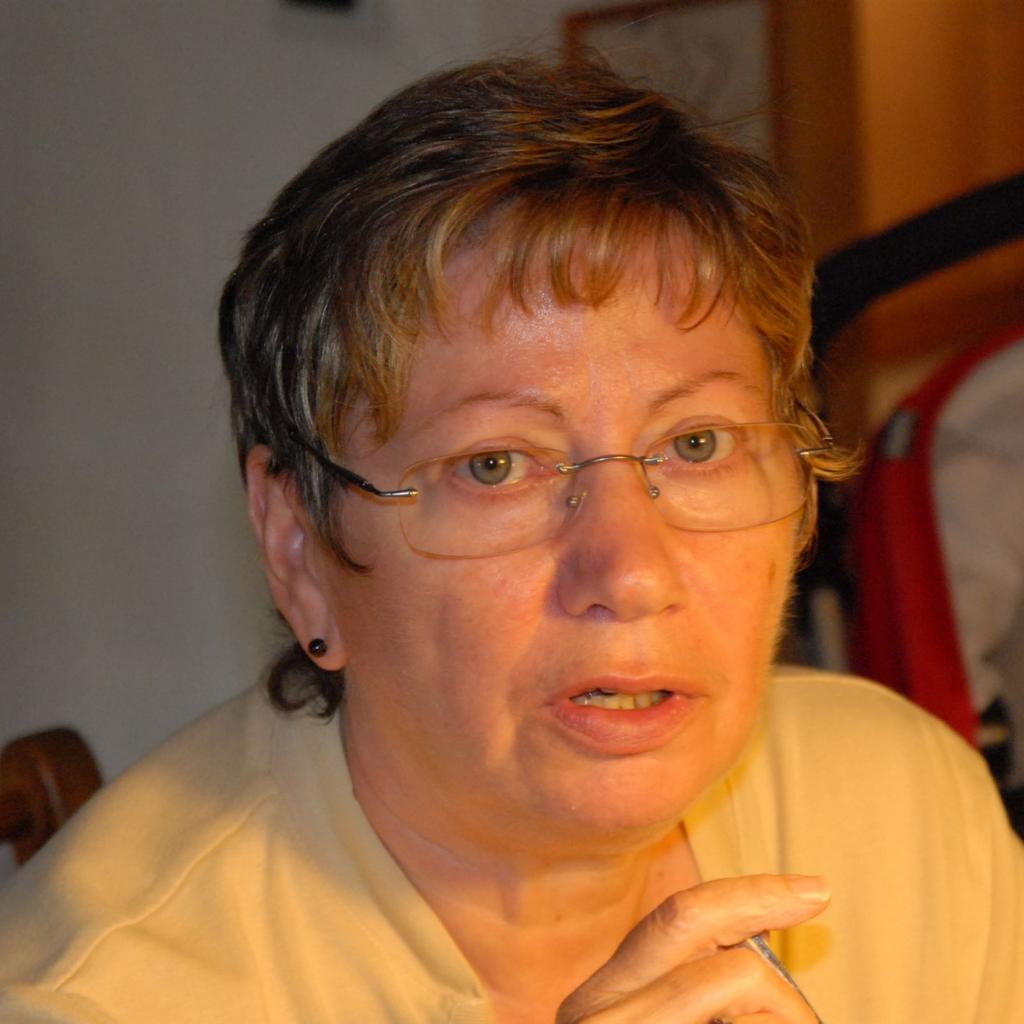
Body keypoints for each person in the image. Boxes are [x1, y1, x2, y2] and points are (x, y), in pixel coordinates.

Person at [1, 54, 1021, 1023]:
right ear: (300, 547)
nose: (630, 572)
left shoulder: (906, 811)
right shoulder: (92, 1000)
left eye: (696, 444)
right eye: (495, 465)